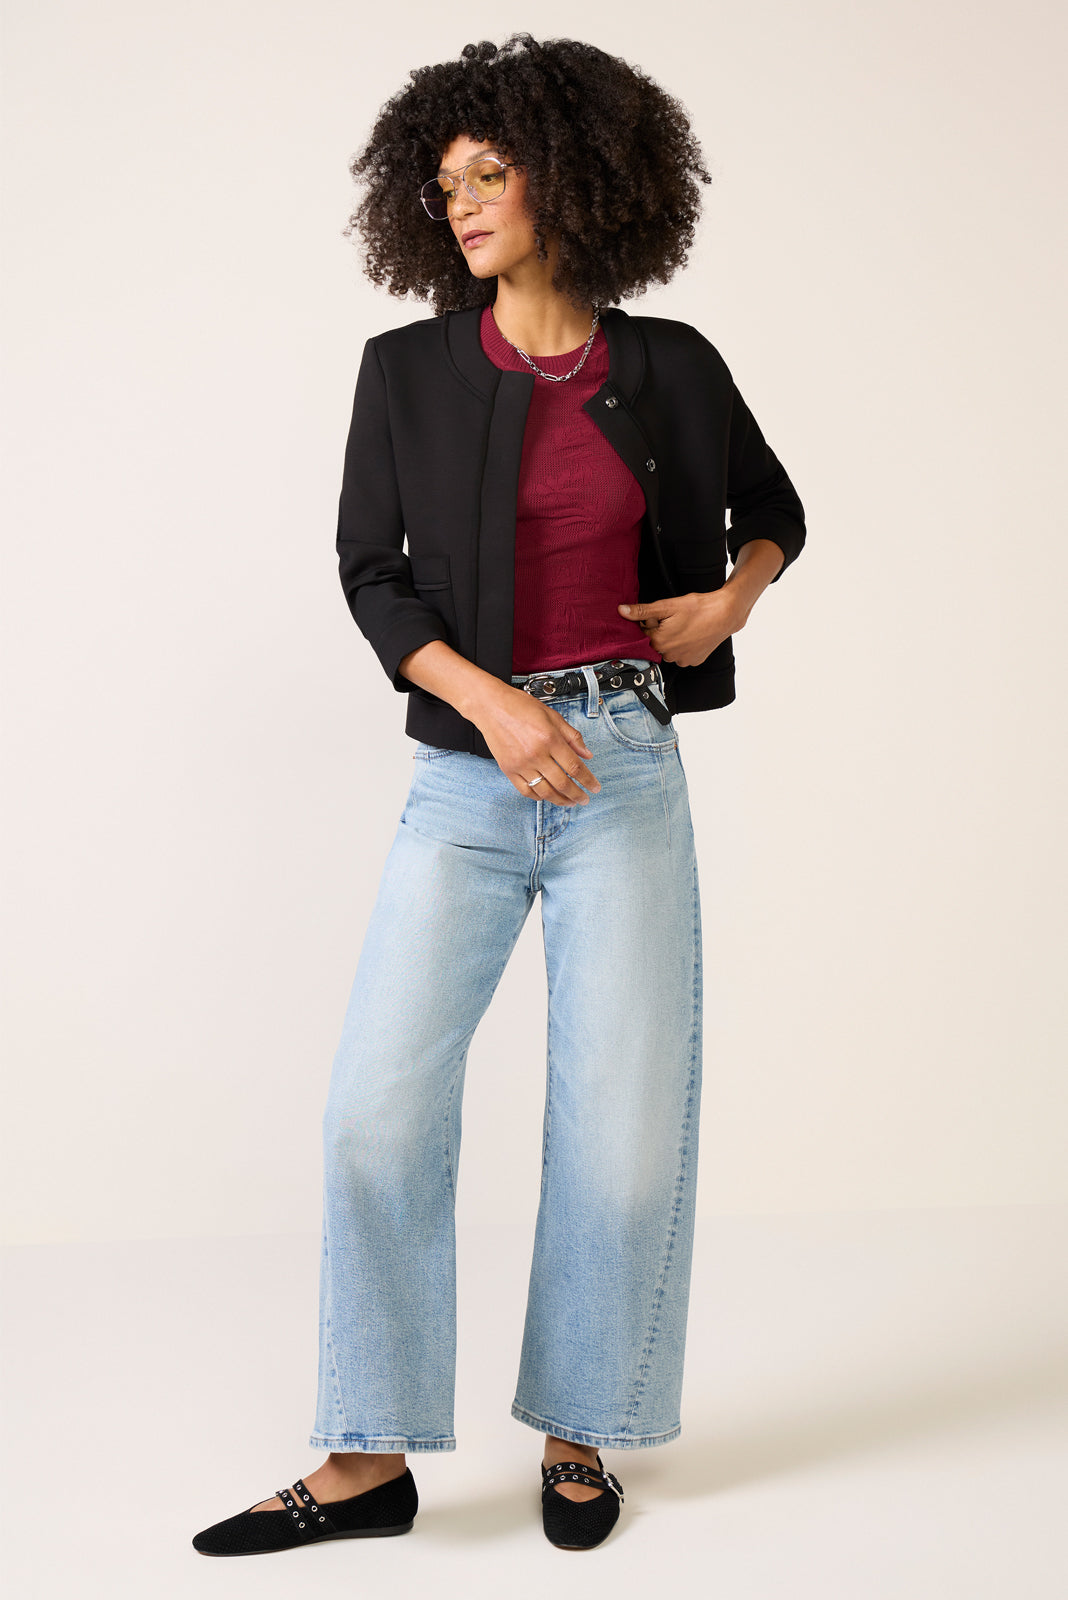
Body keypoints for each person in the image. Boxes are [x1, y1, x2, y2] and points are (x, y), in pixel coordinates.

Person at [193, 33, 805, 1558]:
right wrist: (491, 704)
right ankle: (367, 1462)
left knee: (621, 1129)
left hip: (625, 770)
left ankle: (579, 1433)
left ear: (574, 178)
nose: (460, 203)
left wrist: (731, 596)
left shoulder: (672, 365)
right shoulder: (404, 371)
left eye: (489, 173)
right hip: (469, 779)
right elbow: (373, 574)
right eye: (443, 183)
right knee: (375, 1113)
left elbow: (776, 510)